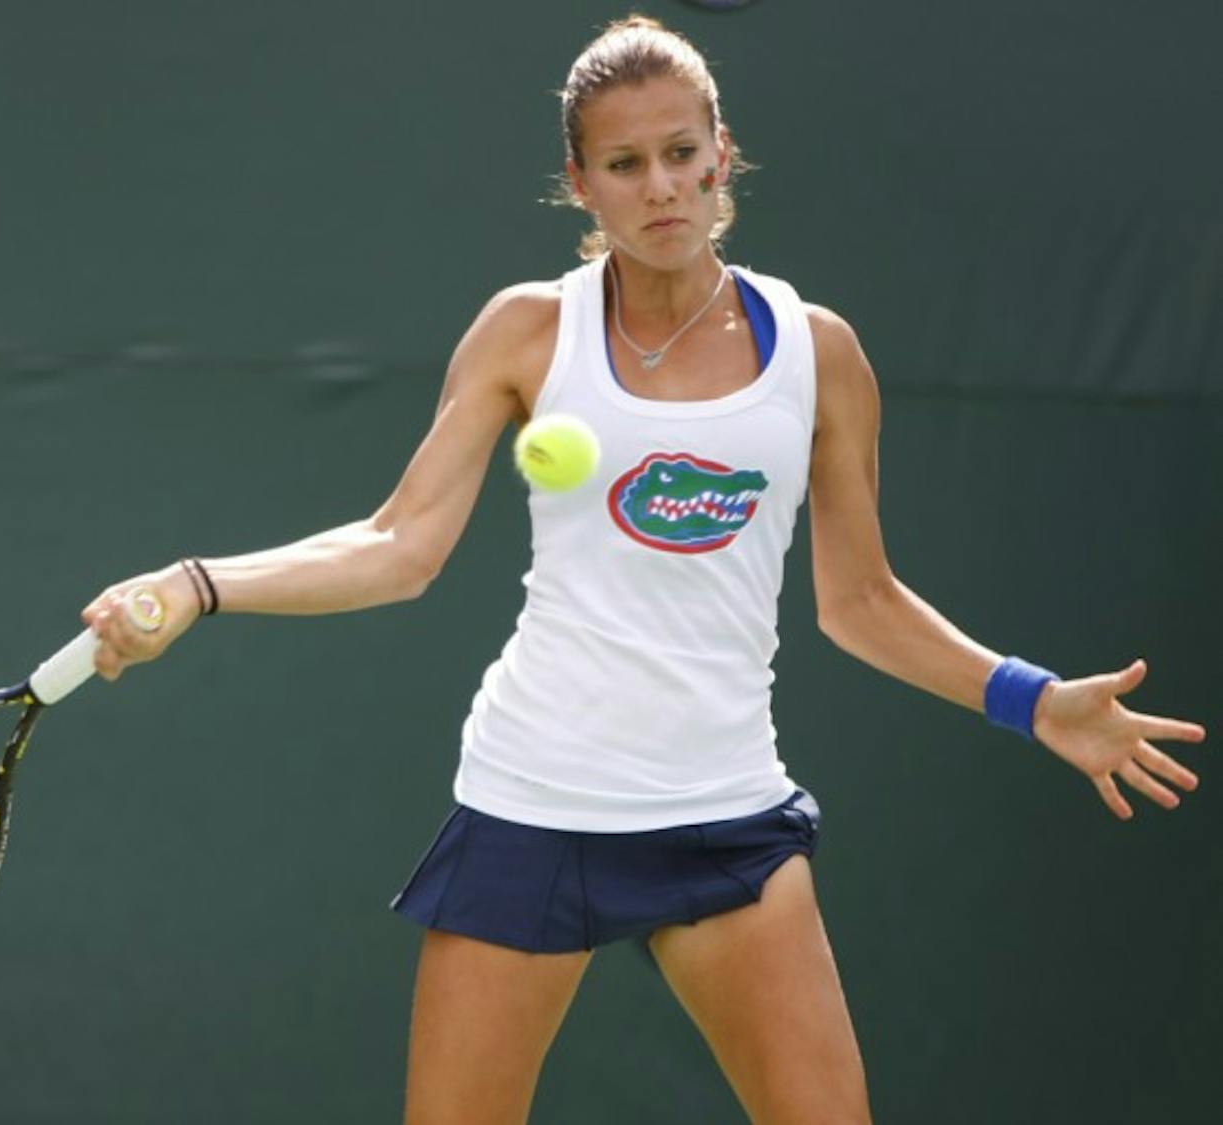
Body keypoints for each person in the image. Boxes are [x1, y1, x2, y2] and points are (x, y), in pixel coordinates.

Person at [79, 16, 1207, 1125]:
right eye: (625, 165)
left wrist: (1032, 700)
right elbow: (398, 545)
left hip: (726, 815)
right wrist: (199, 584)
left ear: (722, 154)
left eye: (681, 153)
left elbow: (861, 601)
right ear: (581, 184)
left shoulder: (819, 352)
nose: (662, 187)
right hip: (534, 803)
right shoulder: (528, 332)